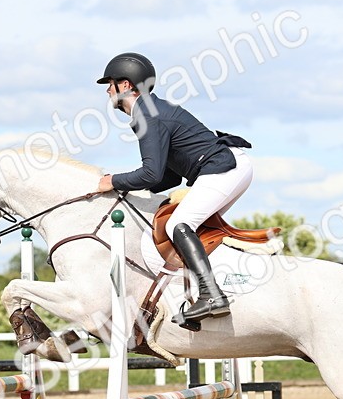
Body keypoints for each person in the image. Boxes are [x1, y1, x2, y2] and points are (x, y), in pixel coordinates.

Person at [94, 52, 254, 325]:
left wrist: (113, 181)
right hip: (224, 168)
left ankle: (212, 295)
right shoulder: (149, 112)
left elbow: (150, 172)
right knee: (178, 223)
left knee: (179, 224)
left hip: (225, 168)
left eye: (111, 83)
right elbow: (168, 178)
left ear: (127, 85)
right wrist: (128, 191)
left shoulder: (148, 116)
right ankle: (195, 297)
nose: (108, 90)